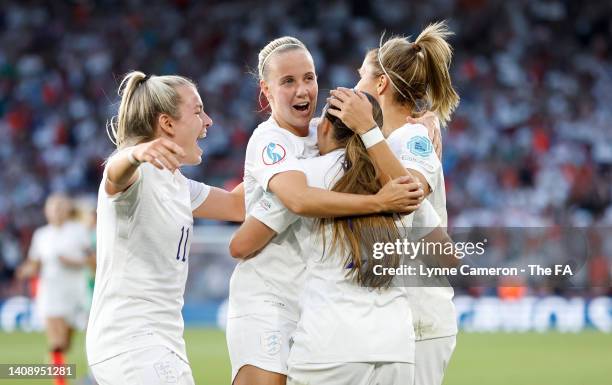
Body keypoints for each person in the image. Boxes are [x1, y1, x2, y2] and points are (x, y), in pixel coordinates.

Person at [227, 36, 425, 385]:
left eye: (309, 77)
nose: (302, 90)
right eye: (287, 82)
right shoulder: (270, 140)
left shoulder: (321, 136)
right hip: (268, 303)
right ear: (266, 90)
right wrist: (379, 202)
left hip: (311, 309)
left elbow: (236, 204)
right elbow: (297, 201)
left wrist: (420, 119)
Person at [86, 71, 245, 385]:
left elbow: (237, 206)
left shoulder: (177, 184)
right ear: (167, 124)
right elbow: (115, 176)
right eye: (198, 111)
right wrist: (133, 153)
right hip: (131, 339)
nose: (209, 121)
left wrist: (284, 149)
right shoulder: (139, 173)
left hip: (160, 341)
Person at [327, 21, 460, 385]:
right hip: (385, 317)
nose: (354, 87)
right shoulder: (382, 139)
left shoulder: (414, 137)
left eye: (361, 77)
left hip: (421, 317)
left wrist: (368, 128)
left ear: (380, 84)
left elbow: (409, 192)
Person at [17, 193, 93, 385]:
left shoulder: (78, 231)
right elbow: (35, 263)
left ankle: (63, 367)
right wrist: (25, 270)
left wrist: (73, 262)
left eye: (60, 206)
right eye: (53, 207)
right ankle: (60, 382)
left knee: (65, 342)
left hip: (75, 293)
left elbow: (92, 260)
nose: (57, 211)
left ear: (67, 210)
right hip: (50, 293)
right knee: (56, 342)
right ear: (46, 211)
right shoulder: (41, 235)